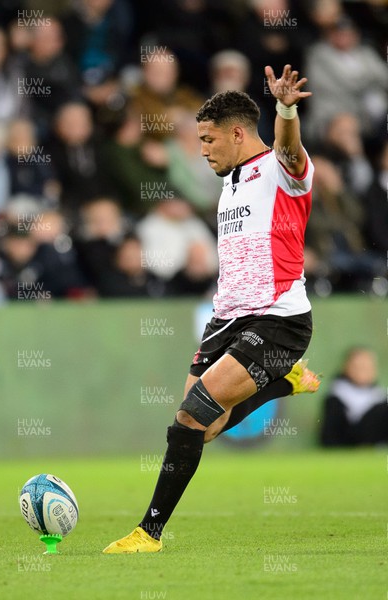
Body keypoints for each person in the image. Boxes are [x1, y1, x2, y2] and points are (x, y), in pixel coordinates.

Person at [103, 65, 321, 554]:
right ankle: (282, 383)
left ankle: (149, 533)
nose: (201, 150)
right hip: (225, 318)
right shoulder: (230, 183)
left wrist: (286, 108)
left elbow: (288, 146)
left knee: (189, 417)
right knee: (201, 428)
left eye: (208, 139)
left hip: (278, 318)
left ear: (238, 133)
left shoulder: (283, 172)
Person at [320, 347, 388, 447]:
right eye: (358, 367)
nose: (363, 371)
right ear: (346, 367)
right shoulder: (336, 397)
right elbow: (329, 438)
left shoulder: (380, 394)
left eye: (367, 367)